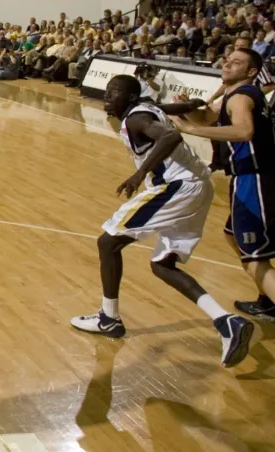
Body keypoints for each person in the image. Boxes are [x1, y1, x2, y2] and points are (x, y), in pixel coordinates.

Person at [70, 75, 253, 368]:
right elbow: (176, 107)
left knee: (108, 242)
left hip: (176, 187)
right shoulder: (148, 107)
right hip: (197, 186)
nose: (108, 96)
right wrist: (194, 103)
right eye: (107, 90)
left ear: (130, 98)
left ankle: (109, 318)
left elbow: (170, 136)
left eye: (115, 92)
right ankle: (226, 321)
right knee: (162, 265)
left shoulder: (137, 118)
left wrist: (139, 174)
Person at [173, 49, 275, 321]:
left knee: (253, 257)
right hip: (252, 179)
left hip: (254, 179)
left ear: (252, 72)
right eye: (227, 59)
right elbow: (207, 116)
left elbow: (244, 131)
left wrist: (190, 130)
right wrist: (188, 109)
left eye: (237, 62)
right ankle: (267, 299)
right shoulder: (234, 95)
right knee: (233, 236)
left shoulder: (241, 97)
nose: (228, 63)